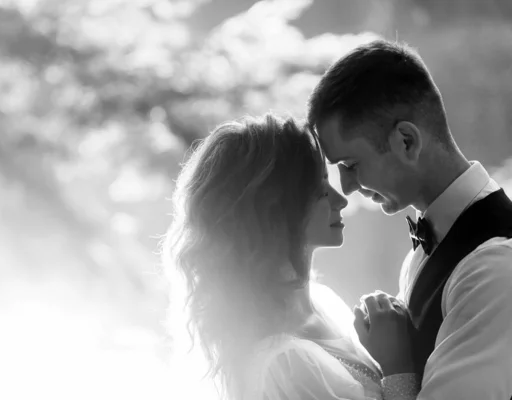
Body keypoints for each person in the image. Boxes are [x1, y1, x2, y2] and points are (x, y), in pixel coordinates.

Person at [162, 113, 420, 400]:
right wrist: (398, 365)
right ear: (275, 210)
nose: (341, 200)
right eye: (320, 190)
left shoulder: (323, 303)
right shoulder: (286, 363)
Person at [308, 39, 512, 400]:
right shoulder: (433, 245)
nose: (348, 188)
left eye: (351, 166)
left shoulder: (494, 268)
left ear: (406, 141)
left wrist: (396, 364)